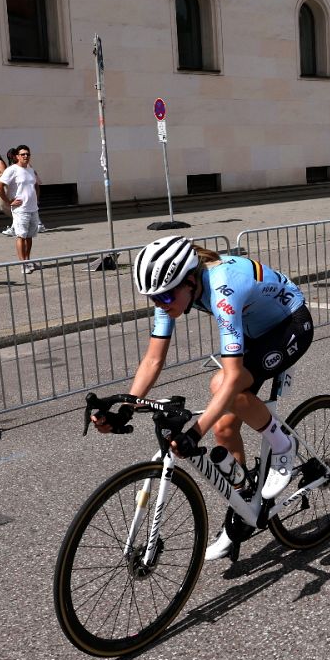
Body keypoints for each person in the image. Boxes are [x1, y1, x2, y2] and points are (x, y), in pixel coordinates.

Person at [94, 236, 312, 562]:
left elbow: (233, 377)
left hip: (290, 324)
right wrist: (125, 409)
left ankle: (283, 446)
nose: (160, 304)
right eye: (153, 298)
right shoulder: (174, 293)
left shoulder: (224, 287)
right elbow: (153, 360)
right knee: (224, 431)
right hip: (254, 333)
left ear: (191, 281)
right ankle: (243, 510)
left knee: (223, 384)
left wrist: (195, 433)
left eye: (165, 296)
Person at [0, 145, 41, 273]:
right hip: (20, 209)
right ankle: (23, 265)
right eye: (23, 154)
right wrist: (9, 201)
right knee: (21, 236)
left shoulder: (30, 169)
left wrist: (36, 198)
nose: (26, 156)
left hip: (33, 208)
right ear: (17, 156)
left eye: (28, 154)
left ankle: (28, 261)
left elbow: (36, 185)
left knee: (30, 236)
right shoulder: (12, 170)